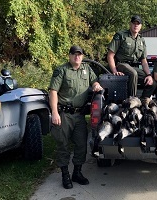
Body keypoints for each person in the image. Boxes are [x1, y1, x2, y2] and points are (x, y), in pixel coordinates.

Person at [49, 45, 103, 189]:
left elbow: (95, 81)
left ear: (82, 56)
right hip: (64, 115)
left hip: (79, 115)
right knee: (63, 145)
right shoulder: (62, 70)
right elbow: (53, 92)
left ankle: (77, 173)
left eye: (79, 54)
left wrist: (96, 85)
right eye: (74, 54)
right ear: (70, 56)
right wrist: (54, 112)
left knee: (81, 145)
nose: (77, 57)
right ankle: (65, 175)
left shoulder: (86, 69)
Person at [107, 15, 156, 98]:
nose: (136, 25)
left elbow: (144, 61)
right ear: (130, 24)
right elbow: (110, 55)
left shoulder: (141, 40)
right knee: (133, 73)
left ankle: (143, 102)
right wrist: (114, 71)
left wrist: (149, 75)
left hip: (133, 67)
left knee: (153, 83)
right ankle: (131, 100)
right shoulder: (121, 35)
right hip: (121, 65)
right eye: (134, 23)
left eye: (138, 23)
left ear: (141, 26)